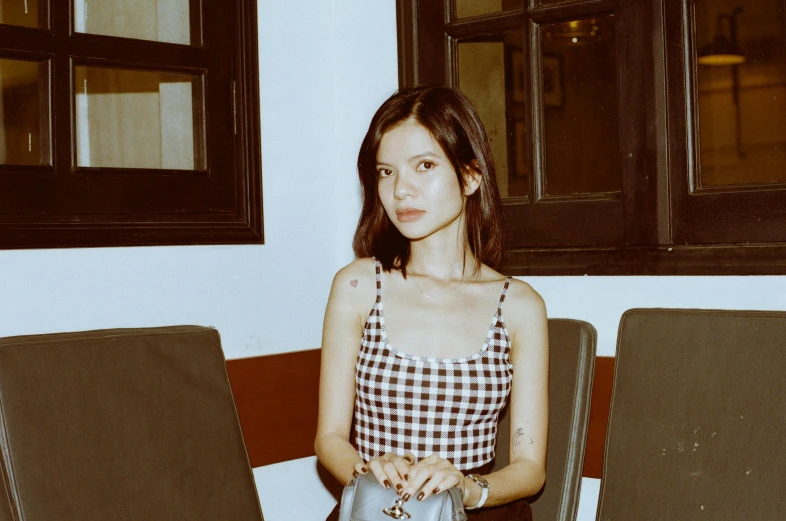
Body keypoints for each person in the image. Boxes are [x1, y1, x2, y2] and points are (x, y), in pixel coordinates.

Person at [315, 85, 548, 520]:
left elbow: (530, 468)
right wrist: (367, 471)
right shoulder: (358, 286)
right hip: (377, 508)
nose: (402, 189)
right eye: (386, 172)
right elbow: (329, 438)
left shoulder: (519, 305)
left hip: (476, 509)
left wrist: (466, 488)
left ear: (470, 176)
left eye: (424, 166)